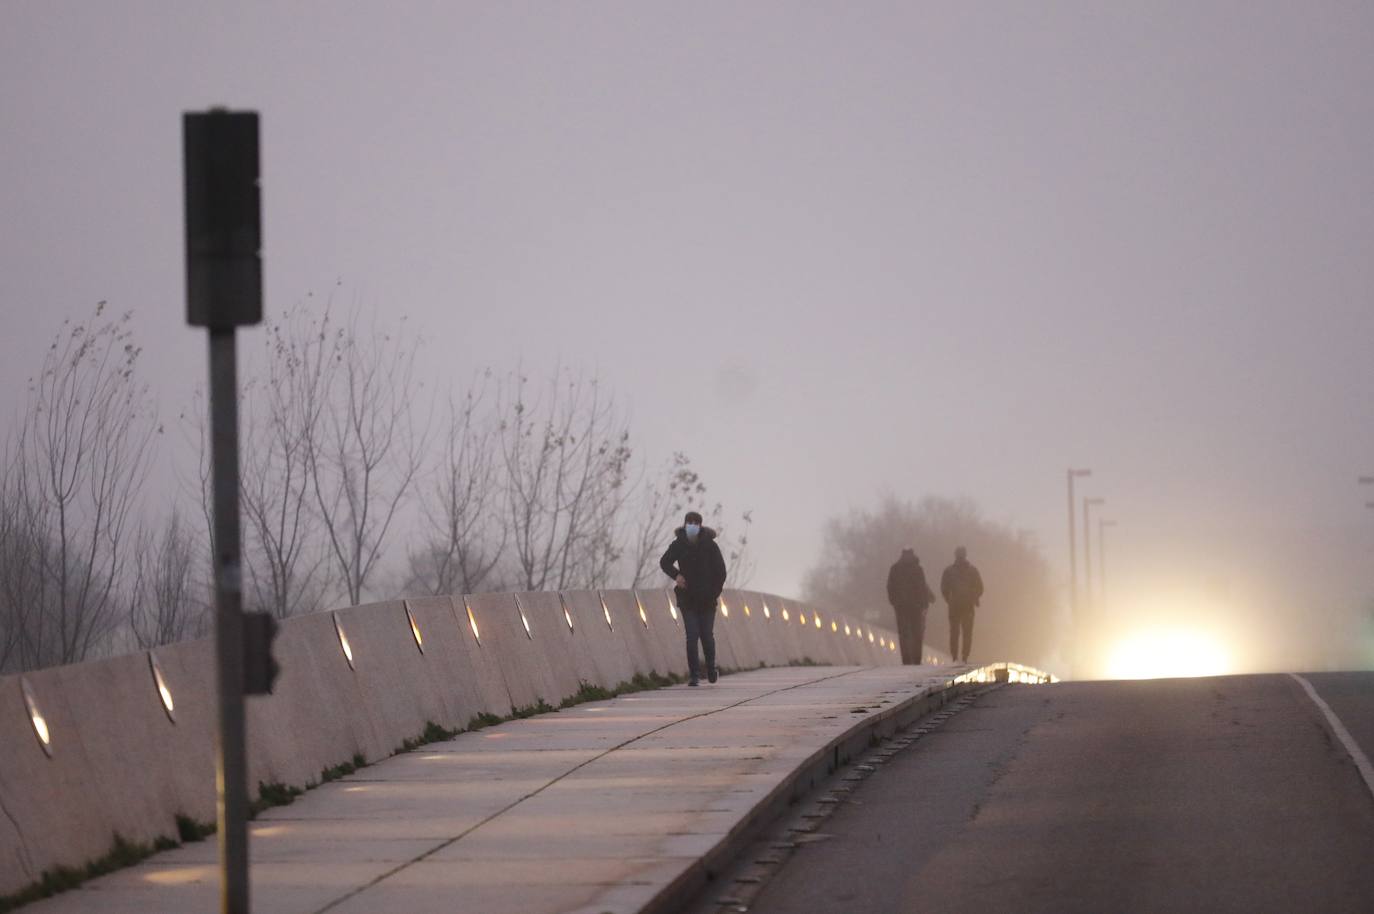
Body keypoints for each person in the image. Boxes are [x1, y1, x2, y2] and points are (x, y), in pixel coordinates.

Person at [660, 511, 728, 686]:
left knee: (706, 636)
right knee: (692, 636)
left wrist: (713, 592)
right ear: (684, 524)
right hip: (687, 599)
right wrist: (677, 576)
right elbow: (665, 562)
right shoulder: (678, 545)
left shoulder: (710, 546)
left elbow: (721, 572)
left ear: (700, 525)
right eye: (689, 522)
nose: (692, 525)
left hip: (707, 600)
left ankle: (711, 668)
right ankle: (694, 675)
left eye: (695, 522)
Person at [886, 548, 934, 665]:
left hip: (901, 606)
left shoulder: (895, 569)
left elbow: (890, 586)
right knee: (917, 633)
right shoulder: (917, 569)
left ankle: (906, 659)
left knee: (904, 634)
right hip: (915, 606)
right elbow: (922, 587)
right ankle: (917, 659)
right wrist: (924, 604)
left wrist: (894, 601)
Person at [940, 546, 984, 662]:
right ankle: (964, 656)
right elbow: (980, 588)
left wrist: (949, 600)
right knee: (967, 633)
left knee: (954, 632)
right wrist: (973, 597)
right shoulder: (972, 571)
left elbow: (944, 589)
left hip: (954, 606)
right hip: (967, 606)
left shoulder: (949, 571)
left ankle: (955, 656)